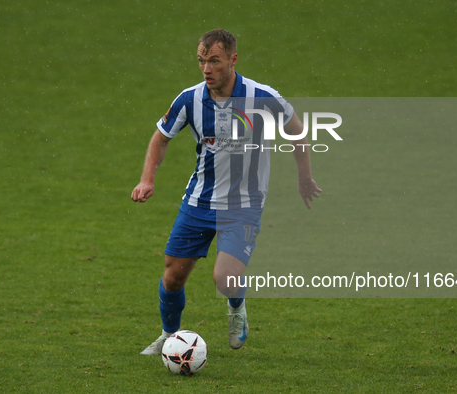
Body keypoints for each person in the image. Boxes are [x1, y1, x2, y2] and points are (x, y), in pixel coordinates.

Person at [131, 28, 321, 355]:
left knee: (224, 278)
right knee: (173, 277)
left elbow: (297, 132)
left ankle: (236, 309)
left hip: (243, 204)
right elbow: (161, 137)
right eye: (202, 61)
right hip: (198, 201)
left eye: (214, 61)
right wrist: (147, 179)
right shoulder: (189, 99)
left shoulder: (262, 97)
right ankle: (169, 335)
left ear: (232, 60)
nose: (207, 69)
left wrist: (304, 177)